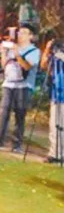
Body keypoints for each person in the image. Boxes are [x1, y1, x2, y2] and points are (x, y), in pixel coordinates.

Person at [0, 24, 41, 151]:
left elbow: (27, 66)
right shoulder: (12, 47)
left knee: (20, 114)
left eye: (24, 33)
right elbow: (4, 65)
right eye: (19, 33)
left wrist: (17, 53)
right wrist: (3, 53)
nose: (20, 35)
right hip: (8, 83)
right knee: (3, 112)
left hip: (24, 86)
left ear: (31, 36)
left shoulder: (34, 51)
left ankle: (17, 144)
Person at [46, 35, 64, 164]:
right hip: (55, 93)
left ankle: (62, 153)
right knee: (53, 124)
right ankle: (53, 153)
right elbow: (45, 67)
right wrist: (48, 50)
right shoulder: (55, 57)